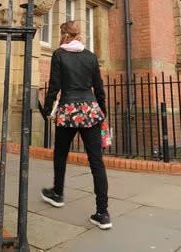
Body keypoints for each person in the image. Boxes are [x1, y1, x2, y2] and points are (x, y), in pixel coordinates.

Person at [41, 21, 111, 230]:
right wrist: (101, 112)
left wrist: (46, 109)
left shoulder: (59, 55)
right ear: (79, 35)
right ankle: (103, 213)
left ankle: (58, 193)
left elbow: (54, 86)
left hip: (69, 109)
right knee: (96, 161)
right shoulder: (90, 56)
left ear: (63, 34)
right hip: (90, 110)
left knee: (60, 153)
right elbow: (99, 88)